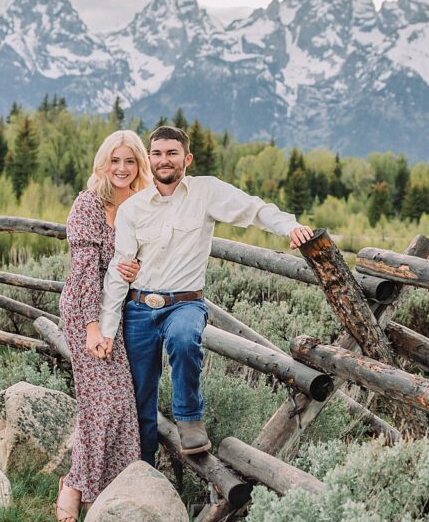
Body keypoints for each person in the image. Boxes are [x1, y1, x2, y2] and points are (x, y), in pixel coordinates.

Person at [98, 125, 313, 465]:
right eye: (157, 153)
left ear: (187, 158)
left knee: (184, 340)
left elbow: (253, 209)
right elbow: (119, 269)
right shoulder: (133, 209)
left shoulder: (206, 192)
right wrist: (107, 327)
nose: (164, 160)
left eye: (172, 153)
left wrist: (290, 226)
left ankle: (189, 420)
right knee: (139, 394)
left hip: (184, 303)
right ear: (149, 159)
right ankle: (142, 468)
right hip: (138, 308)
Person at [55, 130, 151, 522]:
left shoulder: (144, 205)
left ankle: (111, 489)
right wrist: (93, 327)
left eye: (129, 161)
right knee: (101, 402)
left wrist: (138, 268)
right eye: (115, 161)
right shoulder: (88, 205)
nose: (122, 169)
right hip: (85, 312)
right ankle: (74, 485)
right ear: (103, 163)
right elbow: (82, 276)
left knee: (123, 405)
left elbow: (156, 256)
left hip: (121, 313)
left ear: (139, 165)